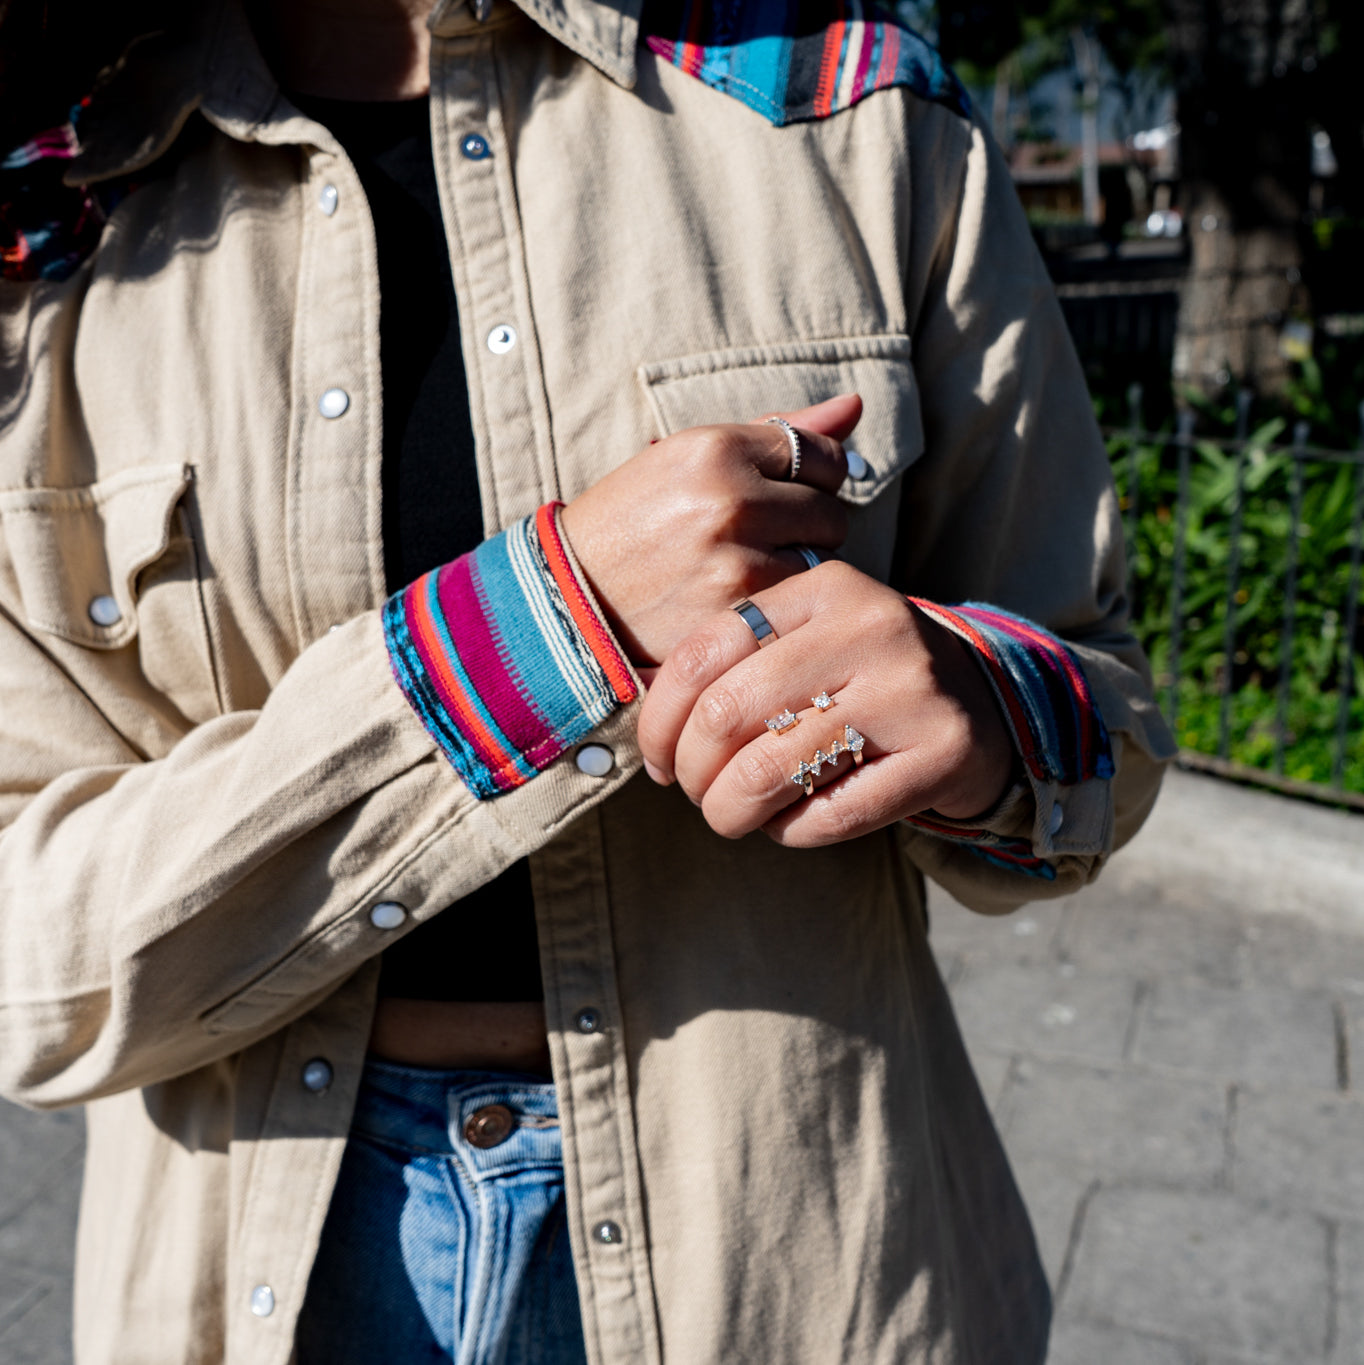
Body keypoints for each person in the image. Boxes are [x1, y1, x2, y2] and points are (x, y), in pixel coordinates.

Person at [0, 0, 1174, 1361]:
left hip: (787, 1254)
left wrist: (982, 713)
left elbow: (1105, 720)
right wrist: (539, 633)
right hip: (267, 1275)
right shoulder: (54, 191)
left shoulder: (839, 96)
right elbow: (30, 967)